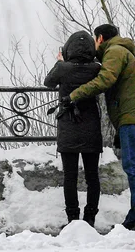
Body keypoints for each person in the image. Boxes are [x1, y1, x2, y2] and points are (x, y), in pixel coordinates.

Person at [65, 24, 135, 232]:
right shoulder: (122, 51)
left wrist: (74, 95)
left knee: (134, 165)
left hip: (132, 117)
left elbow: (105, 78)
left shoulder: (115, 51)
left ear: (100, 38)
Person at [44, 31, 103, 228]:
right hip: (91, 128)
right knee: (92, 176)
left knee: (70, 176)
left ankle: (72, 219)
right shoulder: (96, 68)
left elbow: (48, 82)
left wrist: (59, 62)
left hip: (69, 127)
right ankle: (90, 217)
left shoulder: (63, 68)